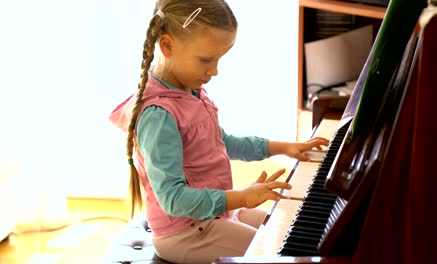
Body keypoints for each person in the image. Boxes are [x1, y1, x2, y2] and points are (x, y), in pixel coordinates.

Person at [108, 0, 329, 263]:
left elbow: (220, 141)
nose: (214, 71)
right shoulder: (158, 116)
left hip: (213, 216)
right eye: (206, 60)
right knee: (280, 252)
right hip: (185, 234)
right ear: (167, 46)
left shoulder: (187, 89)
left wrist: (284, 147)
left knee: (288, 227)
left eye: (219, 59)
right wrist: (240, 197)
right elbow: (173, 199)